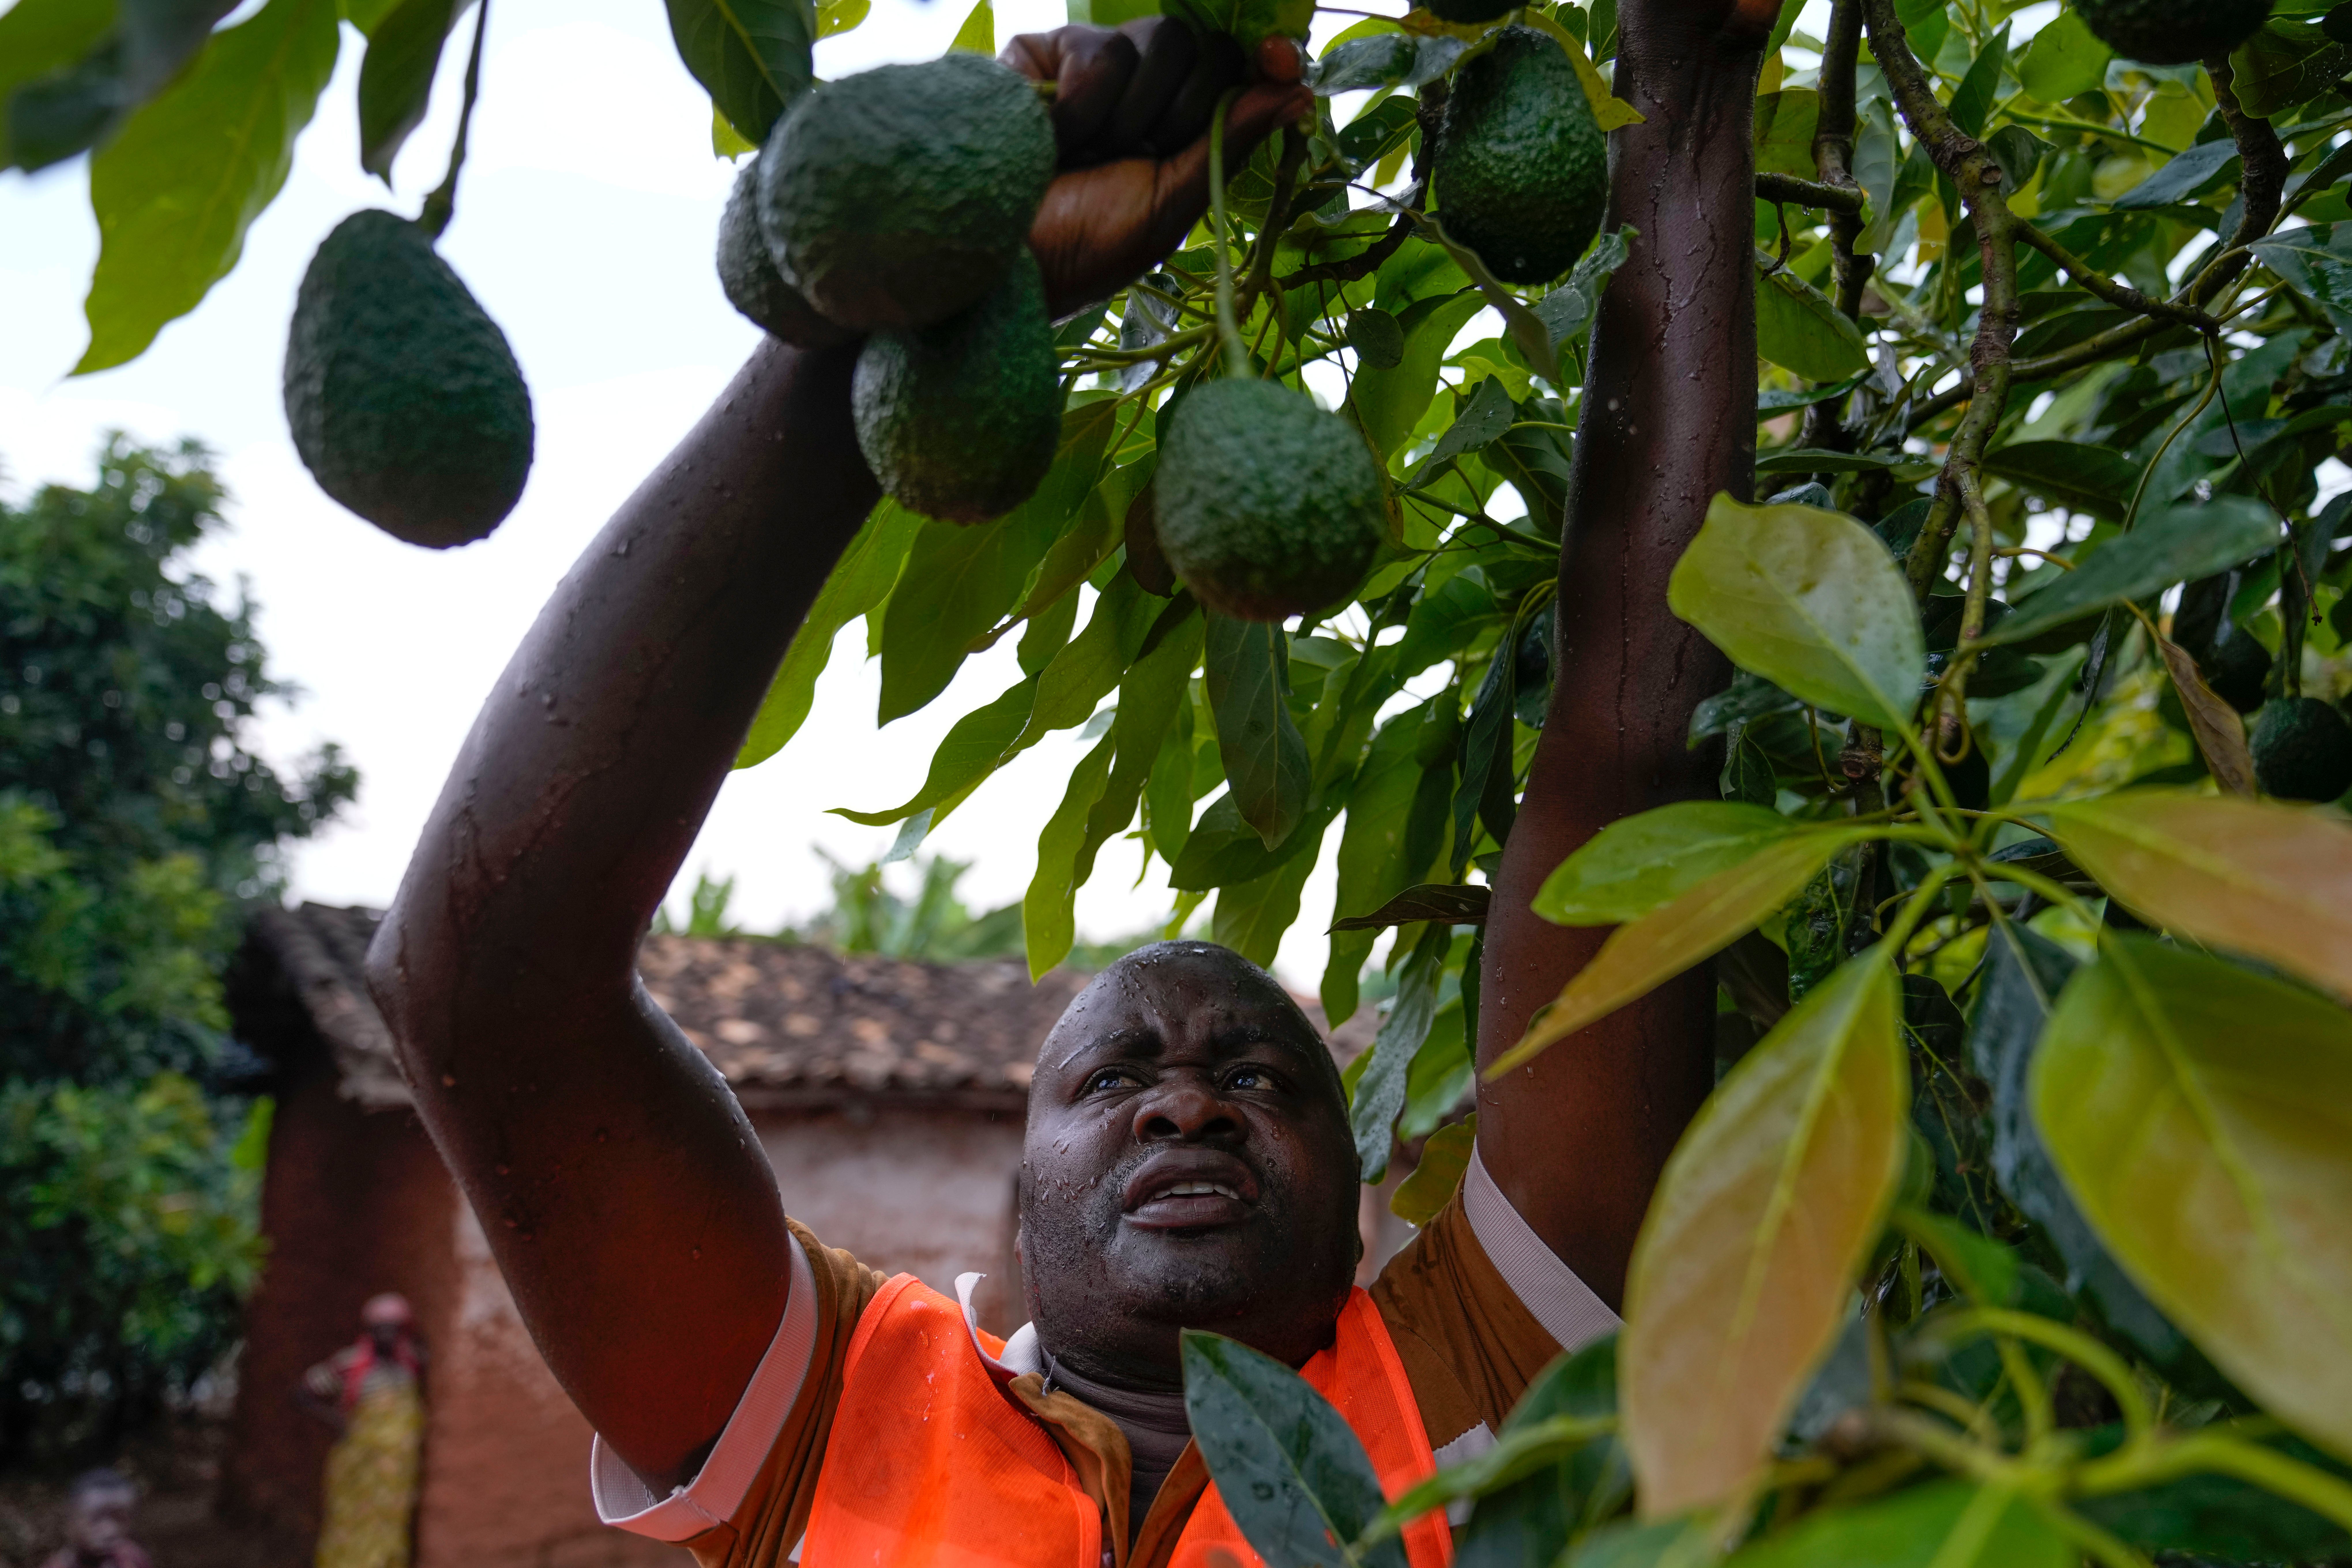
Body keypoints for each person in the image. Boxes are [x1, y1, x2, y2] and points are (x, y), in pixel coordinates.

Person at [368, 4, 1760, 1562]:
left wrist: (1685, 72)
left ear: (1367, 1202)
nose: (1184, 1097)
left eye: (1259, 1076)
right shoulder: (839, 1406)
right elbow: (484, 985)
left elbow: (1638, 739)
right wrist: (882, 328)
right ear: (1008, 1218)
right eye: (1108, 1081)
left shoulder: (1486, 1365)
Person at [296, 1293, 427, 1568]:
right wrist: (338, 1423)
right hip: (360, 1462)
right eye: (382, 1329)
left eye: (395, 1328)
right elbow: (304, 1393)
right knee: (350, 1520)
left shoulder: (411, 1362)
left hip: (396, 1472)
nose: (389, 1335)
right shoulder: (350, 1363)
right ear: (370, 1330)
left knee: (390, 1524)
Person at [40, 1469, 150, 1568]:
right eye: (97, 1518)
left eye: (120, 1518)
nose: (111, 1530)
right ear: (72, 1518)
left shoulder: (132, 1557)